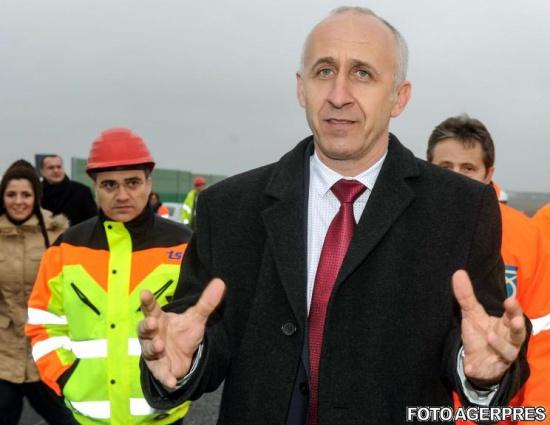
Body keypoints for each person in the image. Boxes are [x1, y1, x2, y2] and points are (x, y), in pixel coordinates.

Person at [139, 8, 530, 425]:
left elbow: (479, 340)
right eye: (324, 71)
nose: (339, 94)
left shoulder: (462, 209)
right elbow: (199, 335)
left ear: (399, 97)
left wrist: (483, 373)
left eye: (363, 73)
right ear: (301, 88)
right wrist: (185, 361)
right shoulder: (228, 208)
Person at [26, 129, 192, 424]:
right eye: (110, 185)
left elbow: (207, 326)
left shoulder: (185, 245)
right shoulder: (65, 248)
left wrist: (186, 379)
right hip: (88, 417)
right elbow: (43, 323)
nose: (122, 195)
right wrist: (66, 377)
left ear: (149, 183)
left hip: (164, 415)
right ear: (95, 188)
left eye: (133, 182)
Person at [427, 114, 550, 423]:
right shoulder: (402, 230)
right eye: (445, 167)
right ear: (427, 168)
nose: (456, 178)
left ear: (488, 173)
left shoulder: (527, 237)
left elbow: (543, 342)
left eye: (468, 168)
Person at [0, 160, 76, 424]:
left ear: (36, 197)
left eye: (26, 194)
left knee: (68, 419)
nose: (18, 201)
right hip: (3, 353)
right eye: (11, 194)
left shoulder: (57, 235)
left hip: (45, 350)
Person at [40, 154, 97, 225]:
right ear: (42, 171)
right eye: (51, 168)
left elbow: (93, 221)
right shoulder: (36, 192)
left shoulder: (82, 191)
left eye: (59, 167)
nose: (56, 170)